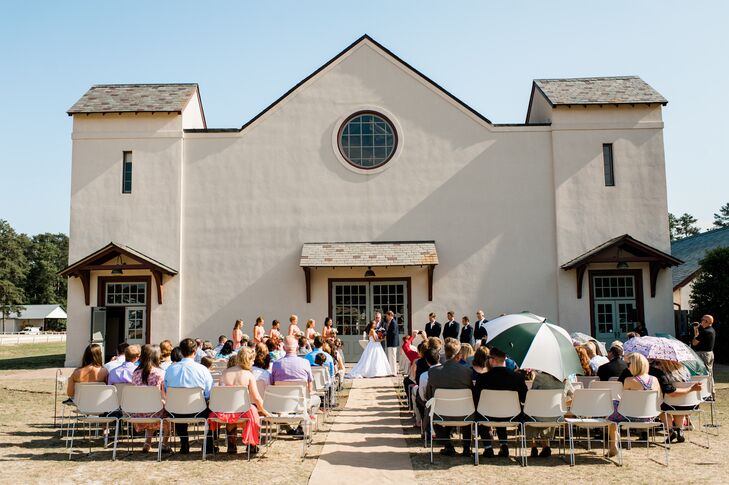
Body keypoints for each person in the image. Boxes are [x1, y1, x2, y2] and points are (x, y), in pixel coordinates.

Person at [210, 347, 270, 454]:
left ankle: (231, 445)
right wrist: (265, 411)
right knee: (252, 410)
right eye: (252, 360)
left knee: (232, 411)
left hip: (225, 411)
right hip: (242, 410)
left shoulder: (224, 373)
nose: (253, 363)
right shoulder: (248, 375)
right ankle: (251, 444)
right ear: (248, 360)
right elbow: (256, 398)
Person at [473, 347, 528, 458]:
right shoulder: (517, 378)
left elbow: (476, 399)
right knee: (501, 410)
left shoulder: (482, 378)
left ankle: (488, 447)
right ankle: (504, 445)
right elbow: (525, 398)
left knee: (484, 410)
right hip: (512, 416)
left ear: (492, 360)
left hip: (486, 416)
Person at [163, 338, 214, 454]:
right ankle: (209, 444)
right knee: (212, 409)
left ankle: (184, 443)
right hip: (198, 410)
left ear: (181, 351)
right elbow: (209, 393)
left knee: (178, 406)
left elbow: (166, 390)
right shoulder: (202, 369)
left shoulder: (170, 369)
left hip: (175, 410)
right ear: (195, 352)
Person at [425, 338, 473, 457]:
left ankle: (448, 445)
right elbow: (471, 392)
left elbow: (428, 395)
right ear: (459, 356)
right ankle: (466, 448)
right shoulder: (467, 372)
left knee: (431, 417)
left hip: (441, 413)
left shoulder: (434, 372)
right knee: (467, 415)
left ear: (445, 354)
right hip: (464, 413)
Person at [607, 353, 661, 456]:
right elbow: (658, 399)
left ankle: (613, 444)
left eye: (628, 364)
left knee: (611, 409)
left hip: (630, 417)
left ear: (634, 365)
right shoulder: (655, 380)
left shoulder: (629, 380)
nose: (627, 367)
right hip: (650, 417)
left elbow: (625, 400)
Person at [271, 336, 321, 435]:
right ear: (297, 348)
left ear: (284, 348)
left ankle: (288, 427)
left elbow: (272, 385)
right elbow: (310, 387)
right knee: (317, 400)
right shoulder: (305, 363)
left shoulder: (276, 364)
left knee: (275, 402)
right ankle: (301, 426)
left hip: (281, 403)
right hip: (301, 402)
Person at [131, 344, 171, 453]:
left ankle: (147, 443)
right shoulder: (161, 373)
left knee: (152, 405)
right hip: (157, 412)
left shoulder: (135, 373)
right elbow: (165, 394)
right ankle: (164, 443)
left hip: (138, 412)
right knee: (170, 411)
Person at [528, 371, 573, 458]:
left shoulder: (539, 378)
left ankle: (533, 446)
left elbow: (532, 395)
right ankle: (545, 445)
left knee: (530, 414)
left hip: (537, 415)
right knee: (545, 414)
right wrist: (562, 404)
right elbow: (573, 395)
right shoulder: (565, 379)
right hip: (556, 416)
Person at [692, 314, 716, 396]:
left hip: (704, 354)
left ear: (706, 321)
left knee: (706, 374)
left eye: (702, 319)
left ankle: (710, 393)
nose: (701, 321)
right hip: (709, 354)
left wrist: (695, 332)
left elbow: (694, 342)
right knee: (709, 373)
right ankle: (710, 392)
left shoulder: (705, 332)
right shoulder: (711, 330)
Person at [385, 311, 400, 376]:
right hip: (390, 342)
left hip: (393, 342)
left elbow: (393, 332)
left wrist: (385, 334)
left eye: (387, 316)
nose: (386, 317)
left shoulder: (393, 322)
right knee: (390, 357)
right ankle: (391, 371)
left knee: (393, 357)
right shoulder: (390, 322)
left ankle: (394, 372)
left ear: (390, 315)